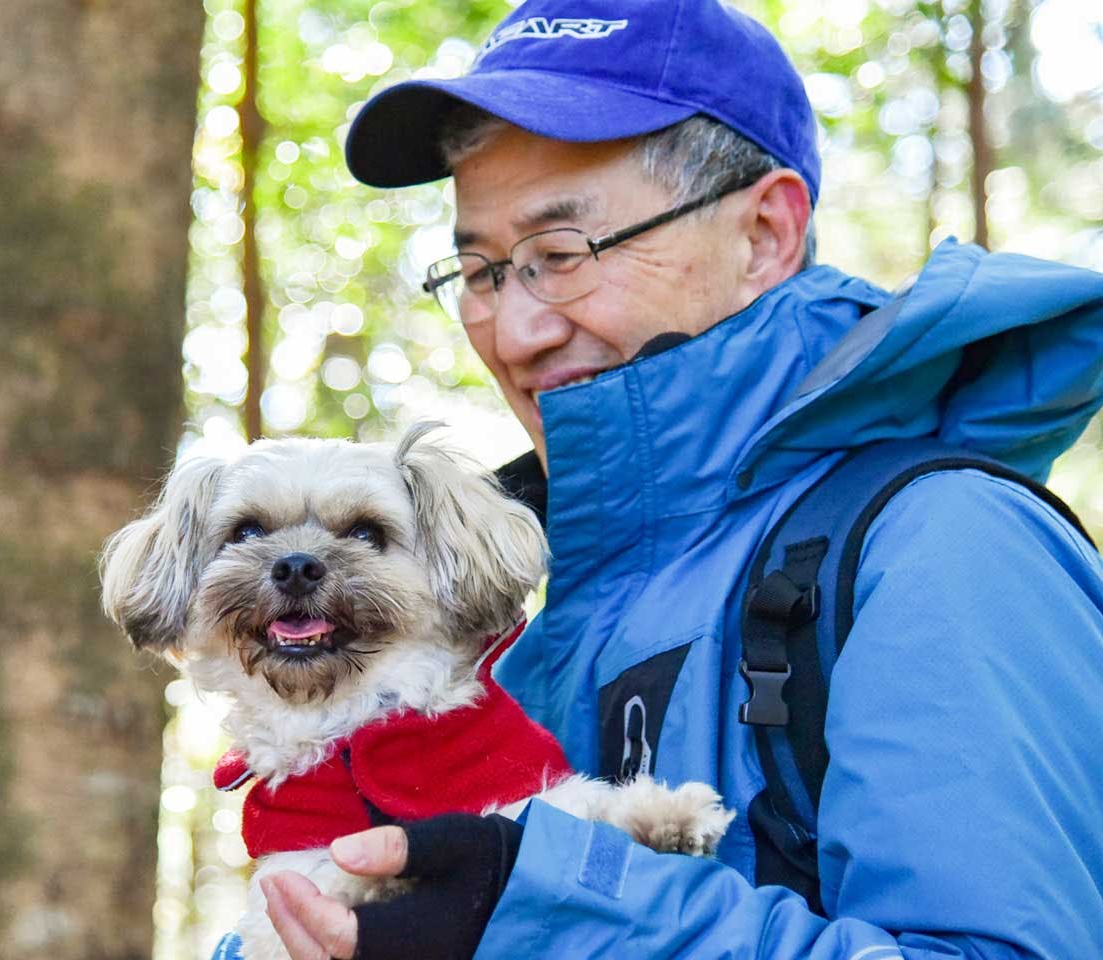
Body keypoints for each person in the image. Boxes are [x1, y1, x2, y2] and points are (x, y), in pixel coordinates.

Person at [254, 0, 1103, 957]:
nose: (513, 330)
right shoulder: (531, 612)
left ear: (765, 235)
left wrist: (533, 915)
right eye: (481, 270)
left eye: (559, 255)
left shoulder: (945, 543)